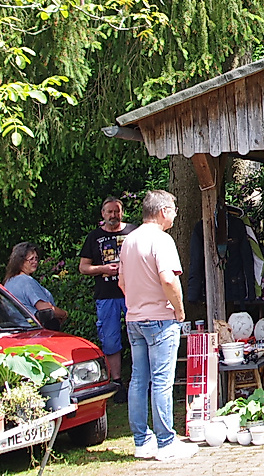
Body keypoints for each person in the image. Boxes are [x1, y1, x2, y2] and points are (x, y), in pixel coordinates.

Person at [117, 190, 197, 462]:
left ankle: (142, 442)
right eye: (173, 209)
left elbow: (121, 283)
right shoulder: (162, 240)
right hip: (160, 319)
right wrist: (179, 309)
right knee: (162, 381)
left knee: (139, 380)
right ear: (162, 211)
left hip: (134, 319)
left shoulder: (129, 240)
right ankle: (166, 442)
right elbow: (168, 279)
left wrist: (137, 304)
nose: (175, 213)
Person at [79, 197, 137, 402]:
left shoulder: (133, 232)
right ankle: (117, 383)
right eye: (109, 212)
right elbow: (83, 267)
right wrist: (102, 269)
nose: (113, 216)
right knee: (111, 340)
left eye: (117, 211)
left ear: (122, 213)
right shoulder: (94, 237)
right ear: (102, 214)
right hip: (106, 296)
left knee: (138, 336)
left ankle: (140, 380)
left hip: (133, 294)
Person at [4, 242, 68, 330]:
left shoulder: (9, 282)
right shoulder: (26, 281)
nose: (35, 262)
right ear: (20, 261)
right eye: (31, 259)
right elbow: (46, 309)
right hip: (37, 331)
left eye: (36, 258)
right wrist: (64, 314)